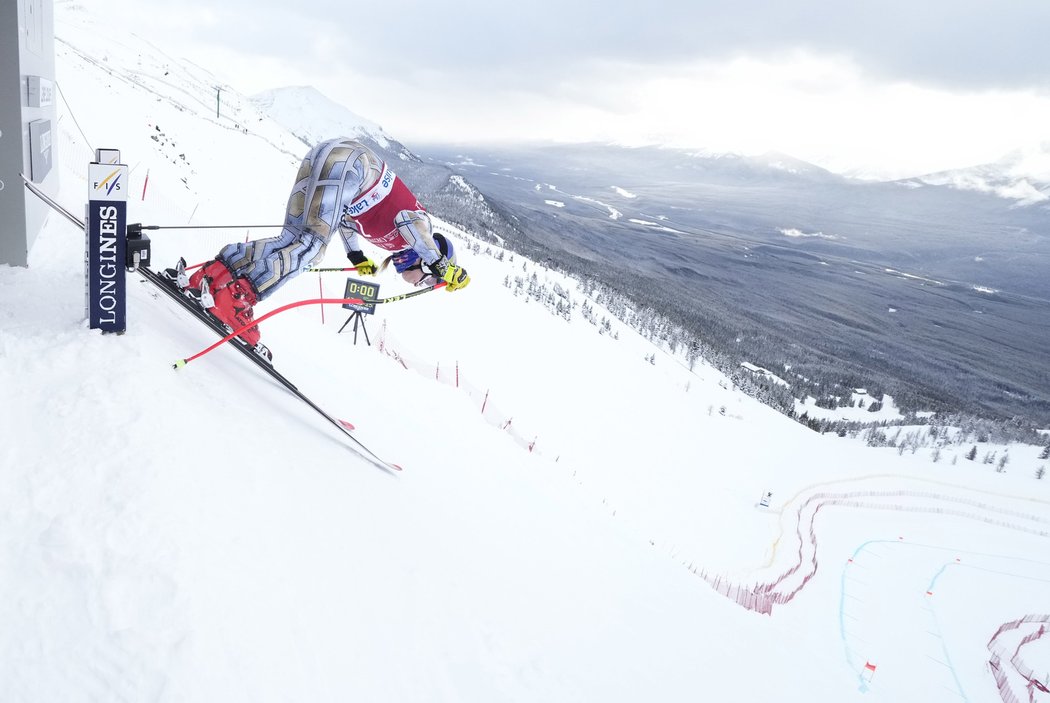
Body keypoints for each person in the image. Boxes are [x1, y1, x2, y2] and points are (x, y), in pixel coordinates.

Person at [177, 137, 470, 347]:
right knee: (311, 248)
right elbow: (412, 224)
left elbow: (344, 218)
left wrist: (356, 255)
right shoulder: (421, 228)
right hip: (351, 165)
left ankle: (215, 274)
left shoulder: (394, 243)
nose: (419, 283)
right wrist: (443, 266)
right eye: (427, 281)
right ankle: (237, 300)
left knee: (292, 239)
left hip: (330, 156)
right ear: (429, 262)